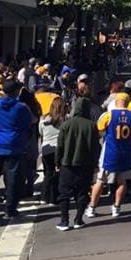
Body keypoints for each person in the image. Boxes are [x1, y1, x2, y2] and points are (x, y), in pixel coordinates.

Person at [0, 80, 33, 220]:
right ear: (16, 91)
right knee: (12, 178)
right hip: (14, 144)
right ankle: (9, 209)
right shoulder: (21, 107)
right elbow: (29, 124)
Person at [86, 95, 131, 218]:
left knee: (100, 180)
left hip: (110, 151)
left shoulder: (109, 115)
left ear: (116, 102)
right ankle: (117, 207)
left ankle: (92, 207)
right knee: (122, 181)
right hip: (125, 151)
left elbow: (99, 128)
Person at [54, 97, 100, 231]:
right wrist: (95, 163)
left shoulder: (66, 125)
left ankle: (64, 220)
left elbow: (60, 146)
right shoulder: (91, 125)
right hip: (85, 164)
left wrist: (57, 162)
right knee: (82, 193)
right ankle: (78, 219)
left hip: (67, 164)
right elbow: (95, 147)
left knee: (64, 194)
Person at [39, 96, 67, 205]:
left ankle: (44, 197)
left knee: (48, 173)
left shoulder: (44, 120)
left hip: (46, 149)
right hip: (59, 149)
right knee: (58, 174)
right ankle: (54, 198)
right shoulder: (65, 119)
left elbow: (41, 133)